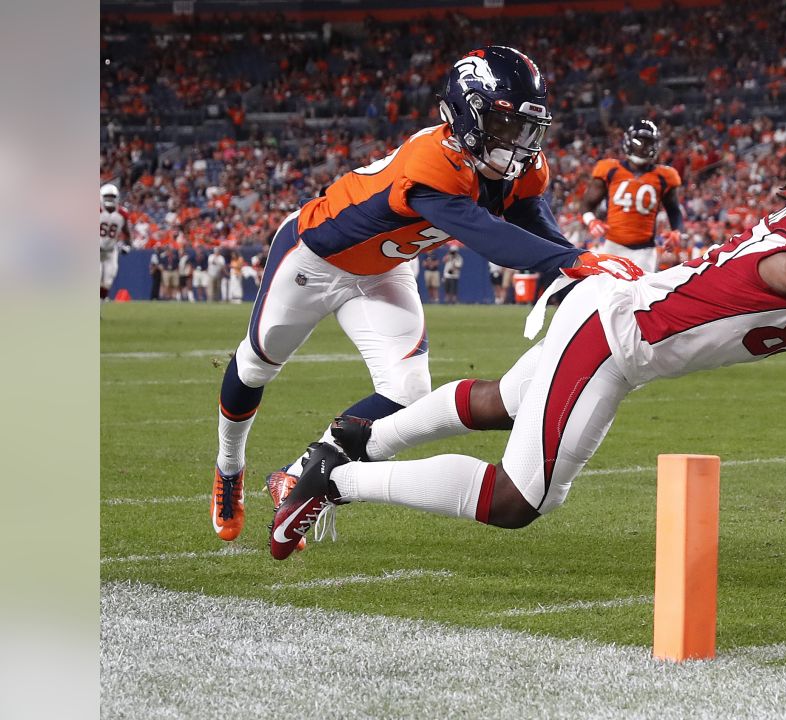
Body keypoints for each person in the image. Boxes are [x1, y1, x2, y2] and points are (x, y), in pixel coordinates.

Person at [268, 136, 786, 561]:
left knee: (507, 402)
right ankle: (337, 484)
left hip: (615, 319)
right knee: (519, 500)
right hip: (613, 338)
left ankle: (340, 448)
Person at [211, 46, 643, 543]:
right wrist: (571, 261)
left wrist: (573, 262)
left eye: (525, 128)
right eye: (504, 126)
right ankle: (228, 468)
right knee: (255, 366)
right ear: (467, 115)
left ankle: (302, 472)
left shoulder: (516, 166)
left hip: (384, 271)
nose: (518, 142)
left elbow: (528, 216)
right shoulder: (432, 159)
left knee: (409, 392)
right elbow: (485, 235)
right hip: (312, 259)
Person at [578, 119, 684, 273]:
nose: (645, 147)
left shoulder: (664, 176)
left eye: (649, 142)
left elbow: (674, 210)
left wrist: (676, 231)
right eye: (641, 141)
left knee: (639, 295)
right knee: (606, 293)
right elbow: (586, 204)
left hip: (644, 251)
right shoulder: (610, 169)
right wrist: (591, 221)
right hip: (612, 246)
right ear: (629, 142)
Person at [99, 183, 132, 301]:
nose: (109, 200)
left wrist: (127, 245)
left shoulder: (122, 214)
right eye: (107, 197)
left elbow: (127, 233)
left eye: (112, 197)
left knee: (108, 280)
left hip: (111, 251)